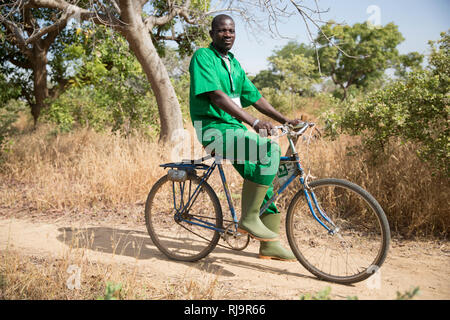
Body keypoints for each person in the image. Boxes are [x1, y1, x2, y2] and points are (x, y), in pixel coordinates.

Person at [189, 14, 301, 261]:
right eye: (221, 31)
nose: (227, 35)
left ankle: (269, 244)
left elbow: (256, 98)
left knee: (265, 177)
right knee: (268, 151)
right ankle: (249, 219)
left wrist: (285, 120)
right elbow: (217, 97)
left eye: (231, 31)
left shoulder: (234, 63)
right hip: (214, 130)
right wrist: (254, 122)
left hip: (235, 131)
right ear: (211, 34)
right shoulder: (203, 57)